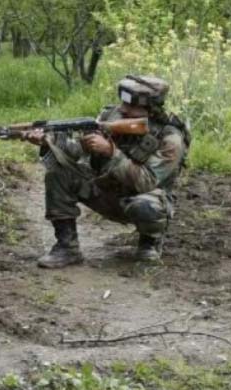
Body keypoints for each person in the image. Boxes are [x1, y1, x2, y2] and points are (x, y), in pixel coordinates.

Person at [22, 75, 190, 268]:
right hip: (105, 191)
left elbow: (147, 181)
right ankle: (67, 247)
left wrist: (111, 152)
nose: (123, 109)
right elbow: (78, 151)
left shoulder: (171, 138)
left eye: (132, 107)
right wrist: (48, 141)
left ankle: (149, 243)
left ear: (151, 110)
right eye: (123, 103)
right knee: (58, 174)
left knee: (146, 205)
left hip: (142, 200)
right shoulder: (111, 117)